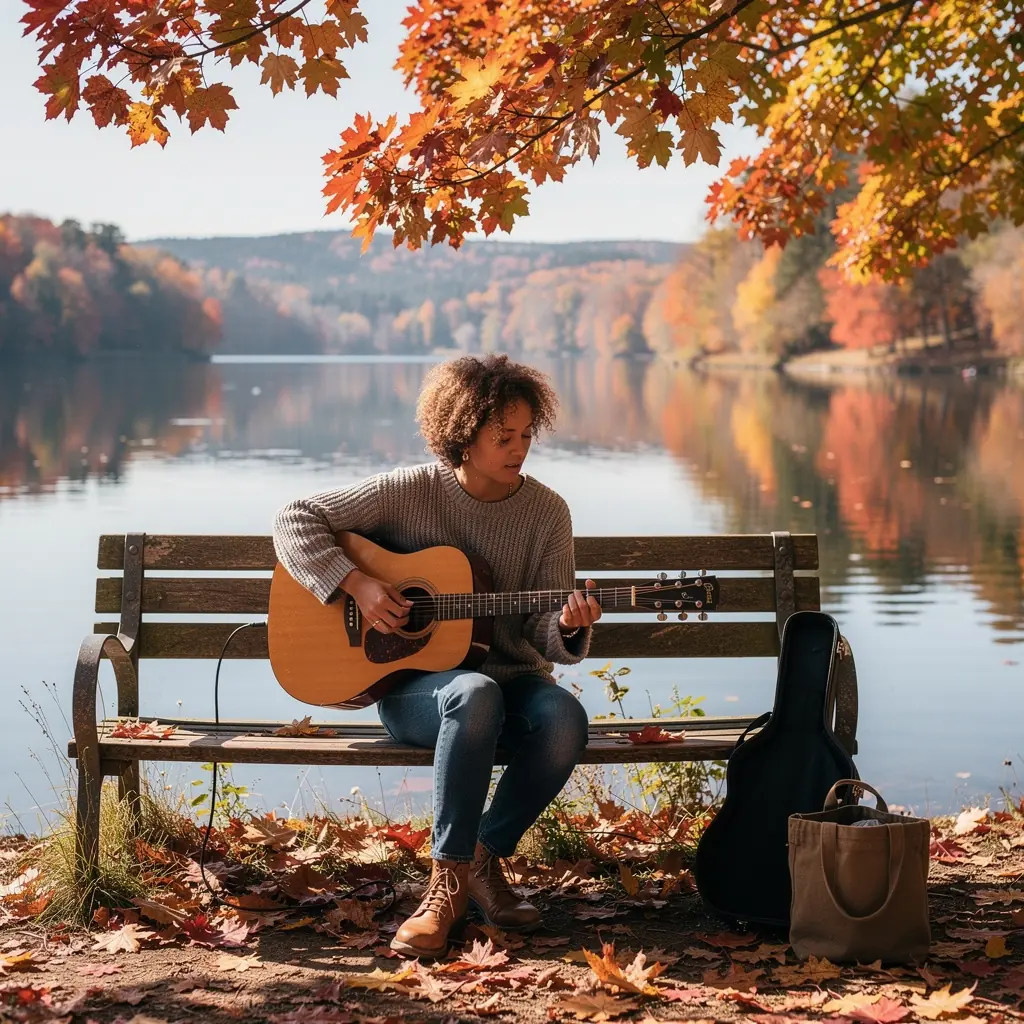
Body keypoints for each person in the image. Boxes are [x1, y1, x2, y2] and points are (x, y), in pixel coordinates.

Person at [272, 354, 602, 958]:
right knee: (474, 693)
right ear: (462, 432)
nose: (519, 448)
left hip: (514, 679)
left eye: (526, 434)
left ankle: (480, 859)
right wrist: (360, 585)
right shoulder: (409, 491)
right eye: (503, 436)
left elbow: (540, 627)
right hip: (417, 688)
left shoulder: (547, 512)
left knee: (564, 720)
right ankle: (445, 883)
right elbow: (295, 518)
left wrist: (566, 626)